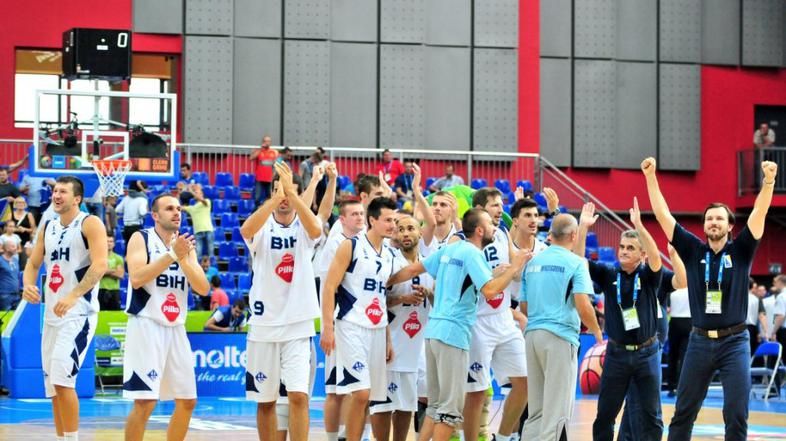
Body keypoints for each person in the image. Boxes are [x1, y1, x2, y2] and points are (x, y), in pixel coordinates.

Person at [642, 157, 777, 440]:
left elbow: (759, 213)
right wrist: (651, 177)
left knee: (736, 414)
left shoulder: (741, 250)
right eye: (709, 219)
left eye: (719, 218)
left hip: (735, 342)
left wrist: (768, 182)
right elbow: (663, 215)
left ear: (729, 226)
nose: (713, 222)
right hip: (699, 341)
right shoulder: (693, 250)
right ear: (704, 225)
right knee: (683, 412)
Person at [385, 208, 531, 441]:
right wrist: (515, 266)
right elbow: (490, 291)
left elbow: (412, 269)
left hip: (433, 333)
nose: (494, 228)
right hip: (453, 334)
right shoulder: (473, 254)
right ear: (480, 230)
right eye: (490, 225)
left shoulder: (450, 249)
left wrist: (385, 283)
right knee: (450, 411)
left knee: (435, 407)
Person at [240, 162, 322, 441]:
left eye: (289, 191)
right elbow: (245, 230)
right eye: (279, 190)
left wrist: (293, 194)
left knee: (299, 396)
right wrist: (276, 198)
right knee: (266, 401)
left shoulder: (305, 225)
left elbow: (316, 230)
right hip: (263, 325)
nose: (284, 197)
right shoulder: (262, 223)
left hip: (298, 325)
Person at [22, 175, 108, 441]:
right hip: (51, 316)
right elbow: (33, 264)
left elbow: (100, 265)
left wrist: (73, 295)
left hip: (79, 314)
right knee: (54, 389)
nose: (56, 196)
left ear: (77, 198)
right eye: (55, 191)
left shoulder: (90, 223)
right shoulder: (48, 225)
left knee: (63, 381)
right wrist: (28, 285)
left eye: (63, 192)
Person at [573, 200, 665, 441]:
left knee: (652, 416)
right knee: (605, 416)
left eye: (630, 248)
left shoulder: (649, 276)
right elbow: (578, 261)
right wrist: (583, 228)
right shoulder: (608, 273)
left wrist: (639, 226)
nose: (623, 251)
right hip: (616, 354)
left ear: (642, 254)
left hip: (647, 354)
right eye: (622, 246)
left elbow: (656, 258)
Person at [122, 193, 209, 441]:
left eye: (179, 208)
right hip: (146, 324)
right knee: (145, 402)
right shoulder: (141, 238)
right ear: (155, 215)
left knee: (188, 400)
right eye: (169, 208)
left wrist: (184, 259)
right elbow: (137, 278)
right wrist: (171, 255)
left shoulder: (185, 245)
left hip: (176, 328)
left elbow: (203, 288)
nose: (176, 212)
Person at [321, 197, 399, 441]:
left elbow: (381, 298)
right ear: (372, 220)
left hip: (377, 329)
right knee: (361, 392)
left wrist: (387, 339)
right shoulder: (351, 246)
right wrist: (327, 328)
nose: (393, 225)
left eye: (394, 220)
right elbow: (329, 286)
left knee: (367, 397)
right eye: (388, 220)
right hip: (351, 326)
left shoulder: (389, 254)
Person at [519, 214, 603, 441]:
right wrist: (596, 331)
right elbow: (583, 305)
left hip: (532, 336)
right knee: (556, 412)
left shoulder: (532, 263)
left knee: (536, 410)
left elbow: (524, 307)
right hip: (559, 337)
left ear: (551, 234)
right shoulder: (576, 263)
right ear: (574, 235)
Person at [461, 187, 534, 441]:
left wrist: (521, 262)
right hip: (478, 320)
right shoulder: (464, 240)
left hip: (503, 318)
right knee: (477, 392)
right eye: (494, 205)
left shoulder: (502, 232)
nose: (500, 209)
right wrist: (496, 273)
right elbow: (465, 278)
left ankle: (503, 437)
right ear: (479, 209)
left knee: (525, 382)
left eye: (501, 204)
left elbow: (516, 272)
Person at [369, 214, 434, 441]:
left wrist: (429, 293)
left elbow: (438, 304)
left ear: (420, 233)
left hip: (415, 346)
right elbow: (375, 299)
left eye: (410, 229)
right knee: (382, 405)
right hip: (389, 343)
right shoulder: (390, 260)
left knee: (407, 404)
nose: (405, 233)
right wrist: (402, 299)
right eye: (401, 229)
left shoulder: (429, 264)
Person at [319, 199, 366, 441]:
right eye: (354, 214)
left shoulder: (366, 242)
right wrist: (328, 326)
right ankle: (332, 438)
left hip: (362, 324)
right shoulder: (336, 244)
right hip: (340, 320)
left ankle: (352, 435)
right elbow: (329, 287)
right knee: (335, 389)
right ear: (342, 219)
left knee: (359, 388)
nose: (359, 217)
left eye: (361, 213)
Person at [182, 184, 214, 258]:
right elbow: (180, 207)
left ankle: (211, 265)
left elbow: (202, 200)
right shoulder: (191, 208)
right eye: (195, 193)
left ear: (202, 194)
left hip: (208, 230)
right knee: (198, 254)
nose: (195, 194)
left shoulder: (207, 202)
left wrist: (191, 191)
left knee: (211, 253)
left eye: (197, 193)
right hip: (197, 231)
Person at [98, 234, 124, 310]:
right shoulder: (99, 258)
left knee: (115, 315)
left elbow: (120, 275)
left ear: (114, 244)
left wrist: (105, 271)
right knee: (100, 314)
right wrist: (114, 270)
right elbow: (97, 272)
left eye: (111, 241)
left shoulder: (118, 258)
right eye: (107, 241)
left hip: (114, 290)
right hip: (101, 289)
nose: (109, 243)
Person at [250, 135, 279, 204]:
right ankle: (257, 209)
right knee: (257, 198)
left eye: (268, 141)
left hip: (270, 179)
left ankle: (268, 210)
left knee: (270, 197)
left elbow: (276, 165)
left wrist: (274, 175)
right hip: (259, 178)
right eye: (265, 141)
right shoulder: (258, 151)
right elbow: (251, 158)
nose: (267, 143)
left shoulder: (274, 152)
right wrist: (261, 149)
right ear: (263, 142)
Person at [747, 279, 769, 358]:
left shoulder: (736, 297)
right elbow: (762, 316)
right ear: (752, 287)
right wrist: (766, 332)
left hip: (735, 328)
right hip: (751, 329)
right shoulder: (756, 299)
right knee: (751, 352)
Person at [0, 241, 20, 311]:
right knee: (5, 317)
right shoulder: (0, 260)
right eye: (13, 246)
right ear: (7, 248)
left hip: (16, 295)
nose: (16, 248)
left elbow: (17, 276)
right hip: (4, 295)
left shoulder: (15, 260)